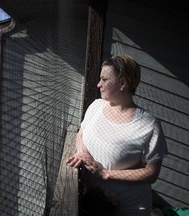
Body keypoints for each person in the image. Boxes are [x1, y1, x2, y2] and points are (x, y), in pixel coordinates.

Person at [66, 54, 168, 216]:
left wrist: (106, 173)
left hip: (128, 208)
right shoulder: (96, 106)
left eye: (104, 80)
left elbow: (151, 173)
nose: (98, 84)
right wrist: (82, 152)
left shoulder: (148, 125)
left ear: (122, 83)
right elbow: (81, 133)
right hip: (95, 205)